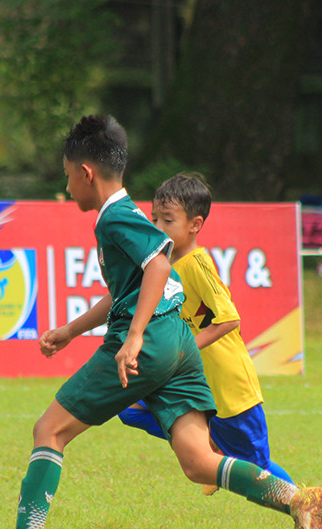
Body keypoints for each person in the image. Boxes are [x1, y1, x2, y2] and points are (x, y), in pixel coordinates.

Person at [0, 115, 322, 529]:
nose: (66, 188)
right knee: (199, 462)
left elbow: (159, 267)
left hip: (151, 342)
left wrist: (135, 336)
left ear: (86, 173)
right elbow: (134, 285)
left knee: (49, 430)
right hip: (178, 343)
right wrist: (71, 330)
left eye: (67, 176)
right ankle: (298, 500)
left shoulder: (115, 217)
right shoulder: (125, 216)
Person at [118, 172, 308, 506]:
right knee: (130, 409)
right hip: (194, 382)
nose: (158, 227)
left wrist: (184, 349)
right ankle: (211, 449)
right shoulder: (164, 266)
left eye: (168, 221)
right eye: (154, 219)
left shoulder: (196, 264)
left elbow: (229, 318)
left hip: (228, 386)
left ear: (195, 224)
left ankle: (306, 507)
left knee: (257, 468)